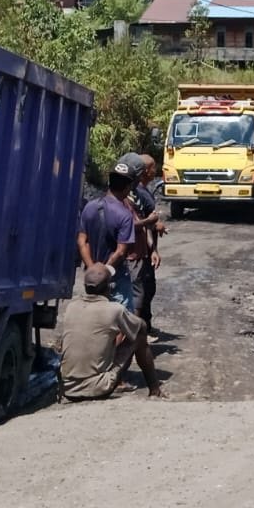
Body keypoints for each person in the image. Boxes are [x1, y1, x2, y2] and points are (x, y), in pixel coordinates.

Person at [55, 264, 162, 400]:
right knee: (139, 331)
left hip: (68, 389)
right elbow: (141, 326)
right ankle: (155, 389)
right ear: (109, 287)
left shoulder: (72, 307)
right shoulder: (115, 310)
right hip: (98, 387)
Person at [79, 155, 141, 311]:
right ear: (128, 187)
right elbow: (121, 252)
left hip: (92, 280)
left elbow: (82, 241)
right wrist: (105, 272)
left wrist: (93, 270)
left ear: (109, 182)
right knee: (122, 322)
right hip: (115, 277)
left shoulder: (90, 207)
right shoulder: (124, 215)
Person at [128, 156, 165, 341]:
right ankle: (138, 332)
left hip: (146, 248)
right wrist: (153, 224)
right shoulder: (136, 194)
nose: (154, 171)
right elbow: (139, 223)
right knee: (141, 290)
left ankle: (144, 327)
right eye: (152, 168)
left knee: (146, 289)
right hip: (137, 252)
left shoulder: (142, 192)